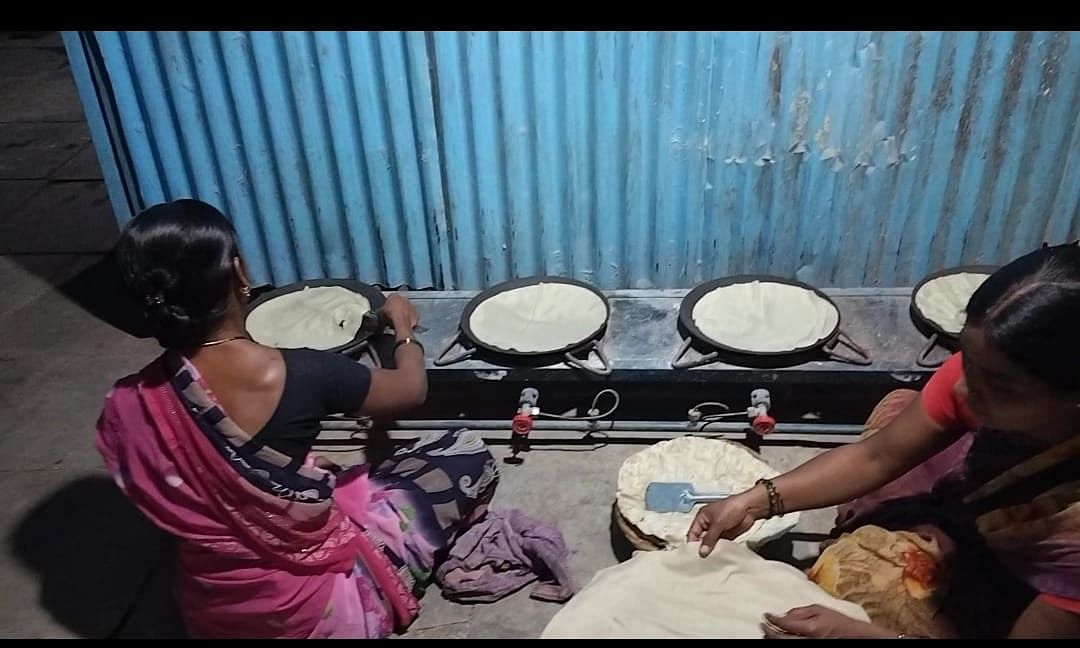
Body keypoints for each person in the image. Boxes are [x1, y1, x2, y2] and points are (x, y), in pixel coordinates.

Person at [96, 199, 499, 639]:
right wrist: (403, 330)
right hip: (317, 614)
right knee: (462, 451)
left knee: (308, 468)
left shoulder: (132, 402)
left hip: (216, 614)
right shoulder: (301, 372)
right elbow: (411, 390)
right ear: (239, 273)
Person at [689, 242, 1080, 639]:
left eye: (999, 384)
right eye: (966, 359)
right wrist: (755, 500)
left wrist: (858, 635)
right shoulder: (984, 380)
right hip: (990, 496)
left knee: (852, 582)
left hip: (1033, 600)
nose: (962, 388)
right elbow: (876, 457)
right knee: (899, 411)